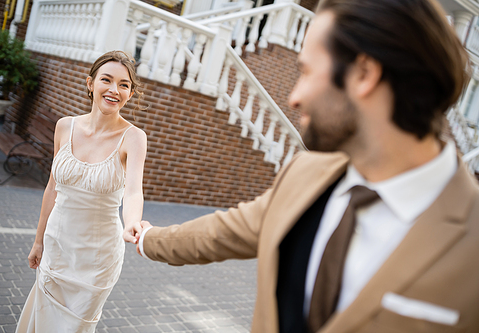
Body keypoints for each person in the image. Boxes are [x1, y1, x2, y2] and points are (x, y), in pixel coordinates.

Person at [136, 0, 479, 332]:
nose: (294, 96)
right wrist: (148, 238)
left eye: (305, 71)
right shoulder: (305, 173)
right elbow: (219, 233)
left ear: (364, 74)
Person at [16, 50, 147, 332]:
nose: (114, 90)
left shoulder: (134, 138)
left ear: (131, 94)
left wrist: (133, 223)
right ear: (90, 84)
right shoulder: (65, 126)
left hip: (97, 261)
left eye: (124, 85)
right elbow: (52, 187)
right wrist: (38, 241)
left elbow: (134, 191)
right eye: (107, 80)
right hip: (57, 248)